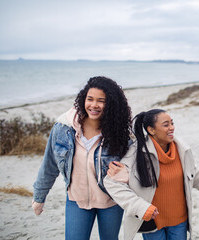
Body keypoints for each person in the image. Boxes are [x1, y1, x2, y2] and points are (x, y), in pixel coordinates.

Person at [32, 76, 132, 240]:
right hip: (76, 200)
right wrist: (39, 197)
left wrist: (126, 173)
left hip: (111, 201)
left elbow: (134, 166)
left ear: (111, 104)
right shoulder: (63, 129)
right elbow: (49, 165)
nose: (94, 105)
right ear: (83, 100)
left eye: (101, 101)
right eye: (90, 99)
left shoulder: (120, 134)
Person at [103, 109, 199, 240]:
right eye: (166, 125)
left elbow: (193, 172)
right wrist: (140, 207)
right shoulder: (137, 152)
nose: (172, 128)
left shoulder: (181, 149)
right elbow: (111, 183)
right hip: (152, 221)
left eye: (172, 123)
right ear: (151, 130)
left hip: (179, 220)